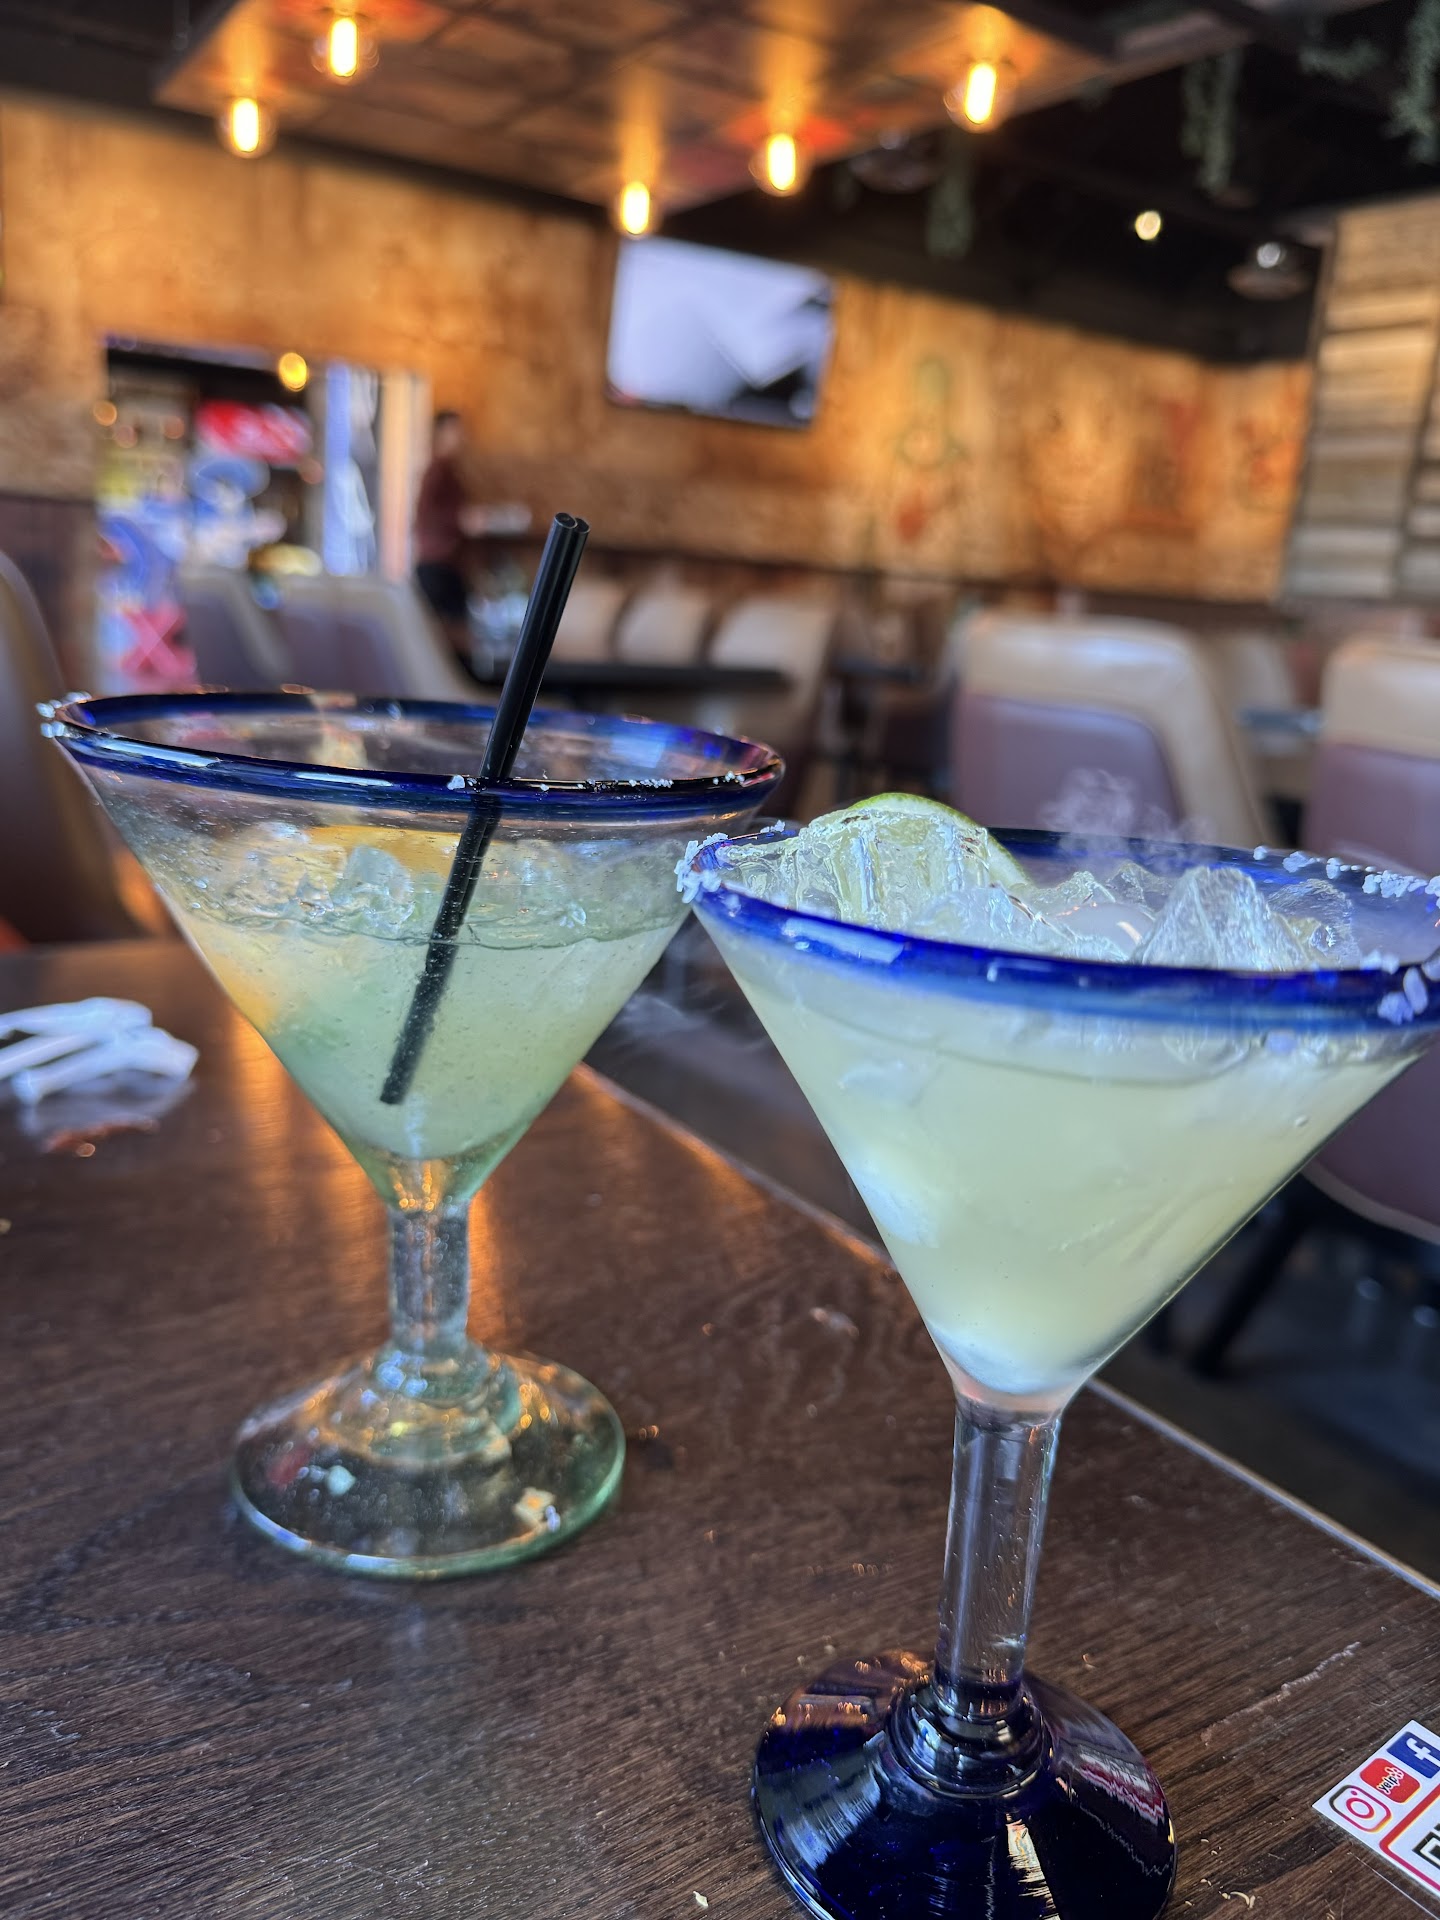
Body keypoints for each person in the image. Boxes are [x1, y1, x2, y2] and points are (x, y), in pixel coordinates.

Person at [414, 410, 481, 646]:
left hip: (445, 563)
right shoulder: (438, 469)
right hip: (438, 564)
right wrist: (462, 520)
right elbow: (427, 513)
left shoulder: (449, 470)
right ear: (440, 433)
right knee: (446, 640)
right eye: (456, 430)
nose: (462, 437)